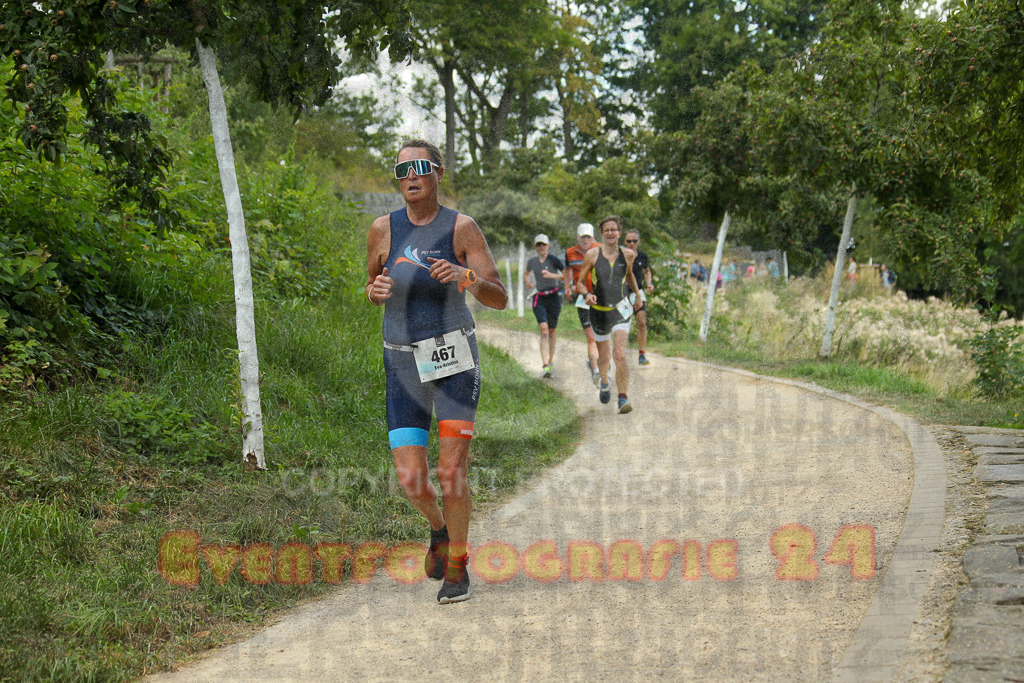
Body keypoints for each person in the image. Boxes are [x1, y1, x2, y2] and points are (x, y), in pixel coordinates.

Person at [366, 139, 507, 604]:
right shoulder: (383, 229)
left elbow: (499, 296)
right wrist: (376, 290)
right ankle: (440, 530)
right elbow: (371, 282)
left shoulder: (462, 228)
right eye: (401, 168)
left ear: (438, 173)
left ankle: (459, 566)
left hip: (452, 356)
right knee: (411, 479)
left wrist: (466, 277)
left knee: (450, 470)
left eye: (420, 166)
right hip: (402, 360)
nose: (410, 175)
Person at [576, 215, 642, 414]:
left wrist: (638, 295)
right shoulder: (592, 255)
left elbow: (629, 276)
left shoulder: (628, 255)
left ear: (620, 233)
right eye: (607, 230)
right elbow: (579, 283)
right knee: (604, 359)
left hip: (620, 310)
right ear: (602, 234)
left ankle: (623, 398)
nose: (611, 233)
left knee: (619, 354)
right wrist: (587, 295)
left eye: (614, 229)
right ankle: (605, 381)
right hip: (599, 312)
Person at [564, 223, 601, 384]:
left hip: (601, 298)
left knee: (601, 336)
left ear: (593, 238)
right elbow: (567, 270)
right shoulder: (570, 253)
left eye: (588, 237)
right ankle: (597, 371)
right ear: (577, 237)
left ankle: (597, 362)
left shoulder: (601, 249)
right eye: (582, 236)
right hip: (583, 297)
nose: (585, 240)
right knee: (590, 336)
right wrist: (567, 286)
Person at [524, 233, 563, 378]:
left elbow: (566, 275)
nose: (542, 247)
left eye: (544, 244)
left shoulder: (554, 260)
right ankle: (545, 365)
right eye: (539, 245)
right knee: (544, 330)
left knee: (552, 331)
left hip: (553, 297)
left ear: (548, 246)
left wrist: (551, 275)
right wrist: (528, 282)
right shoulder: (533, 261)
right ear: (535, 247)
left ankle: (551, 361)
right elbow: (526, 273)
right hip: (539, 298)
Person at [624, 230, 654, 366]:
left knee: (641, 322)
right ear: (625, 242)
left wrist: (649, 283)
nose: (631, 244)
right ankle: (620, 353)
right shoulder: (620, 256)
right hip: (623, 292)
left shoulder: (642, 256)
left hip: (639, 292)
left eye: (634, 241)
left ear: (639, 242)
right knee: (623, 323)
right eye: (629, 241)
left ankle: (642, 354)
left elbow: (647, 271)